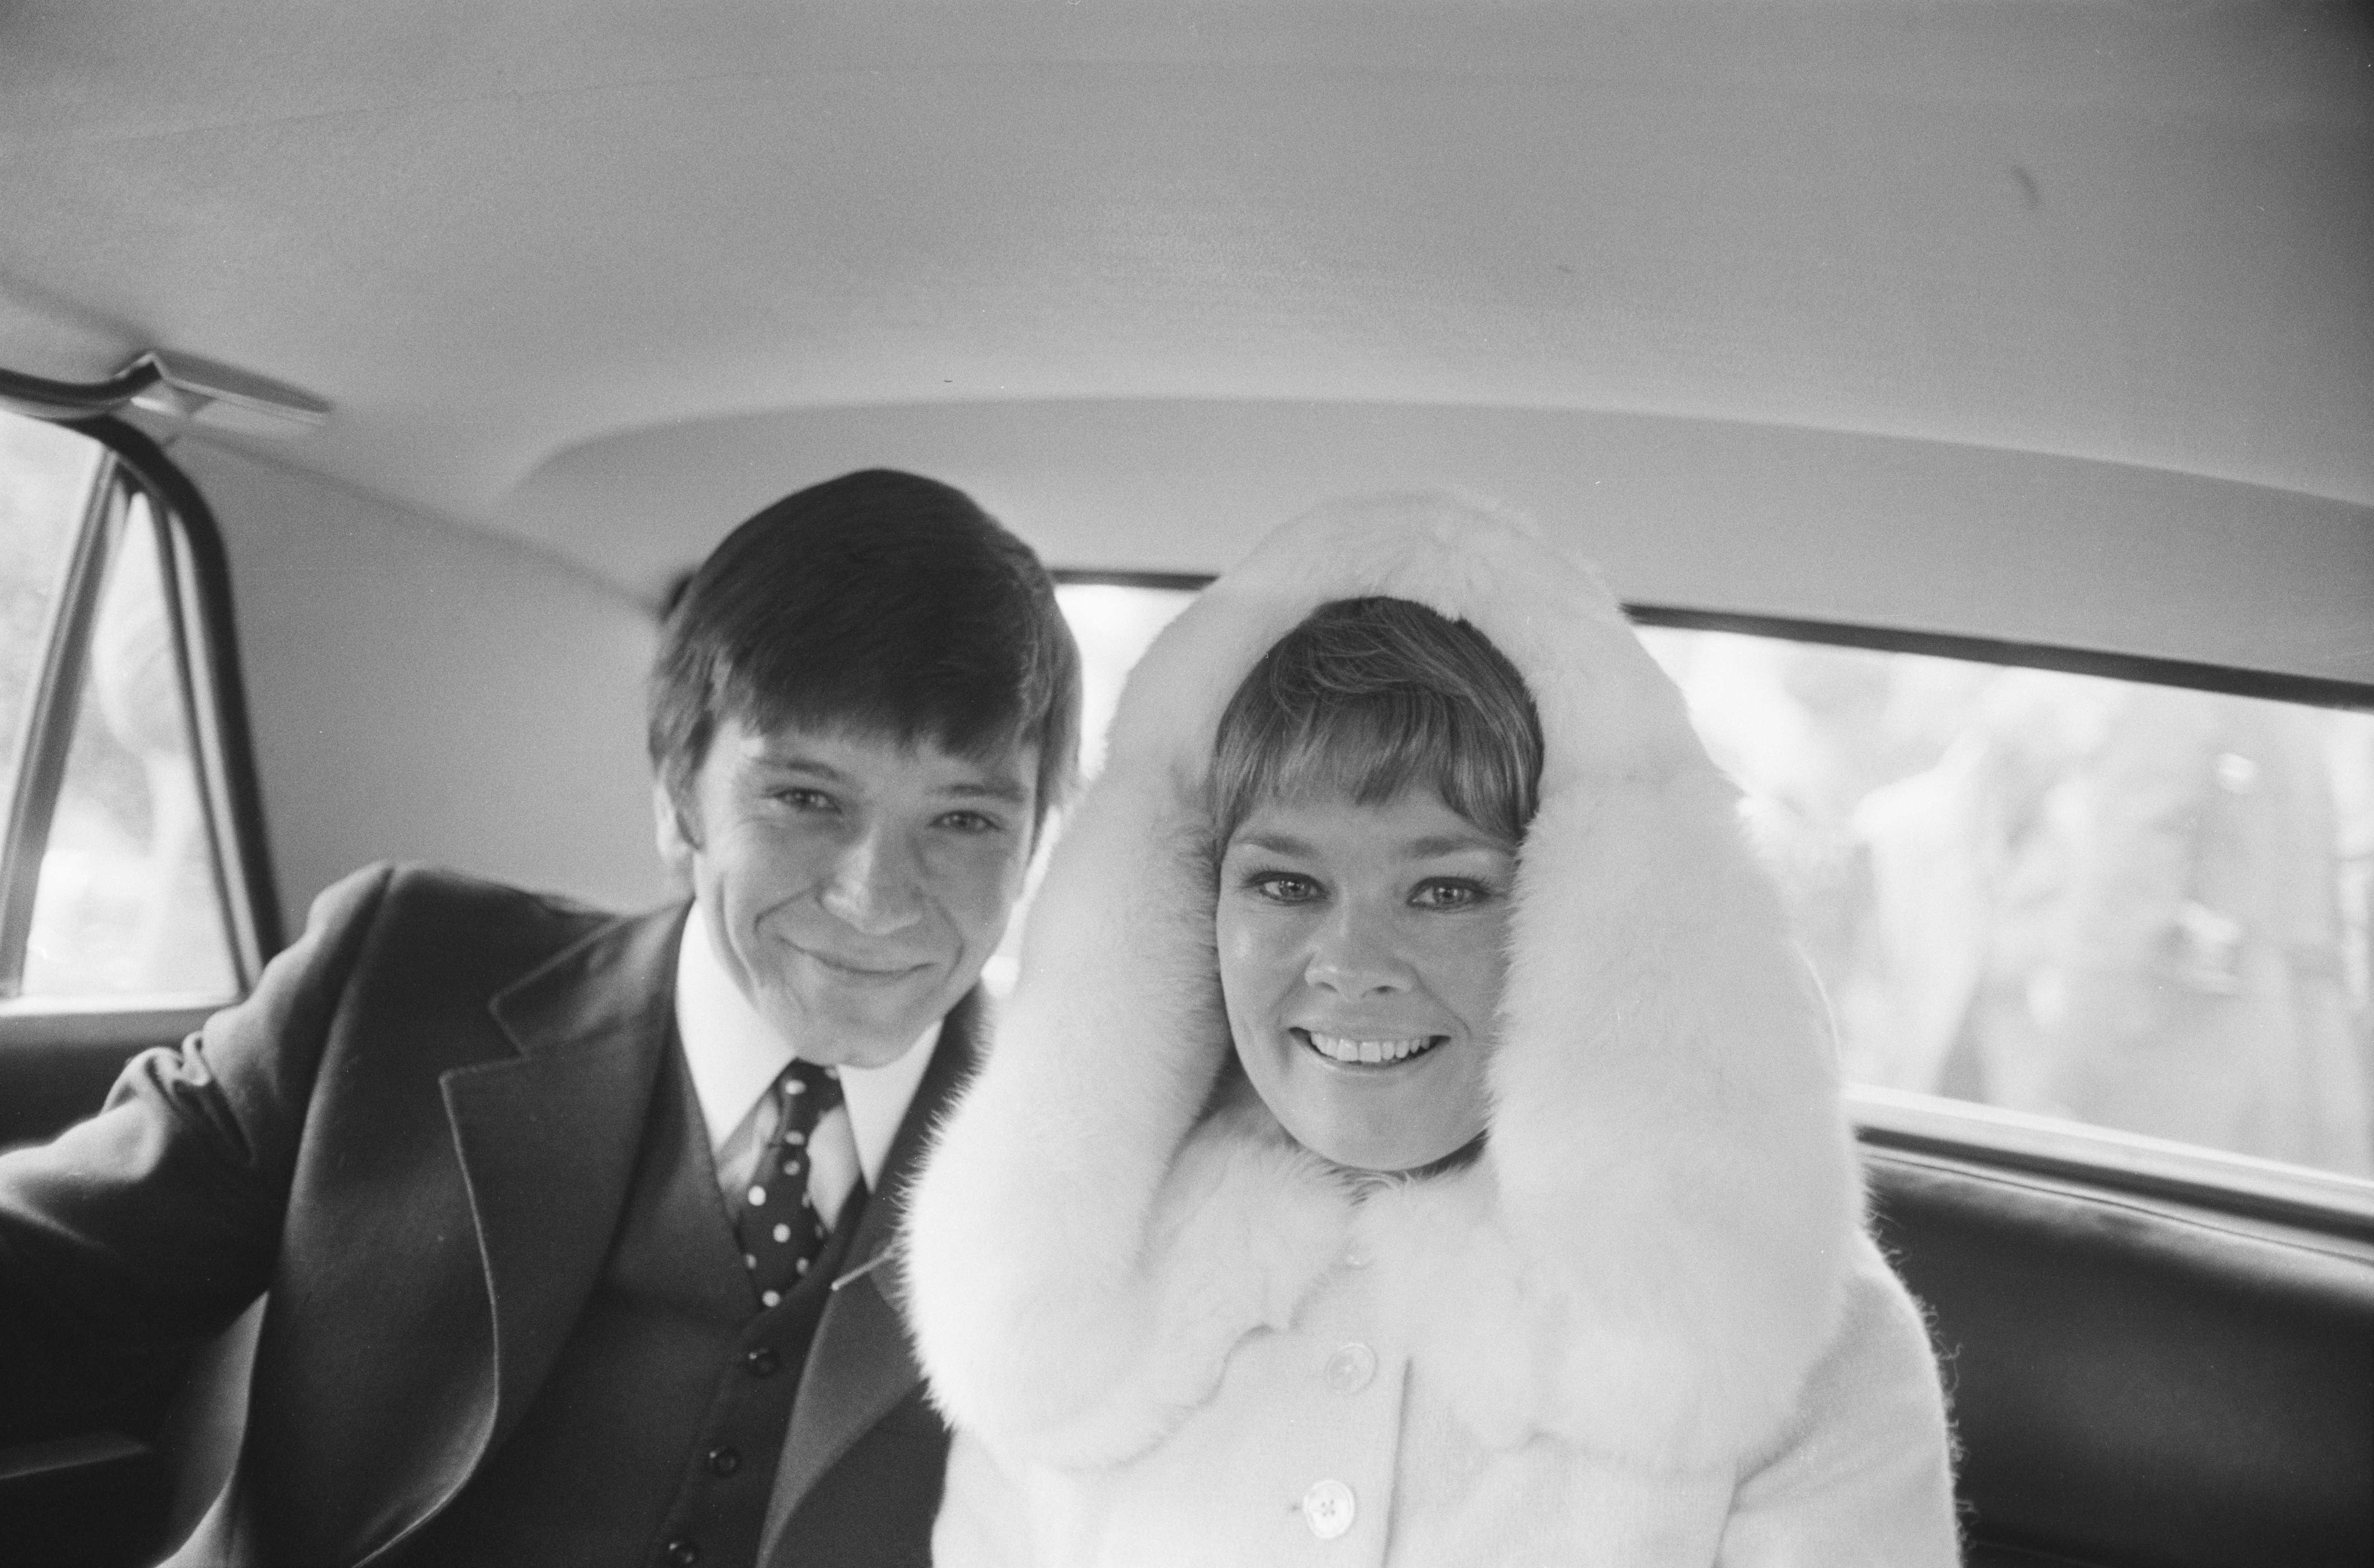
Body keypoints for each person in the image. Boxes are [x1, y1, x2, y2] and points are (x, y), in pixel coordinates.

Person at [0, 468, 1080, 1568]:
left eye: (962, 817)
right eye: (805, 797)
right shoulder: (400, 973)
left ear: (1035, 841)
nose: (876, 897)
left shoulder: (1093, 1163)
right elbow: (46, 1284)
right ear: (677, 800)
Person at [905, 496, 1958, 1565]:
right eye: (1283, 880)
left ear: (1584, 923)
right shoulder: (1057, 1298)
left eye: (1446, 889)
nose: (1352, 962)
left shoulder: (1796, 1342)